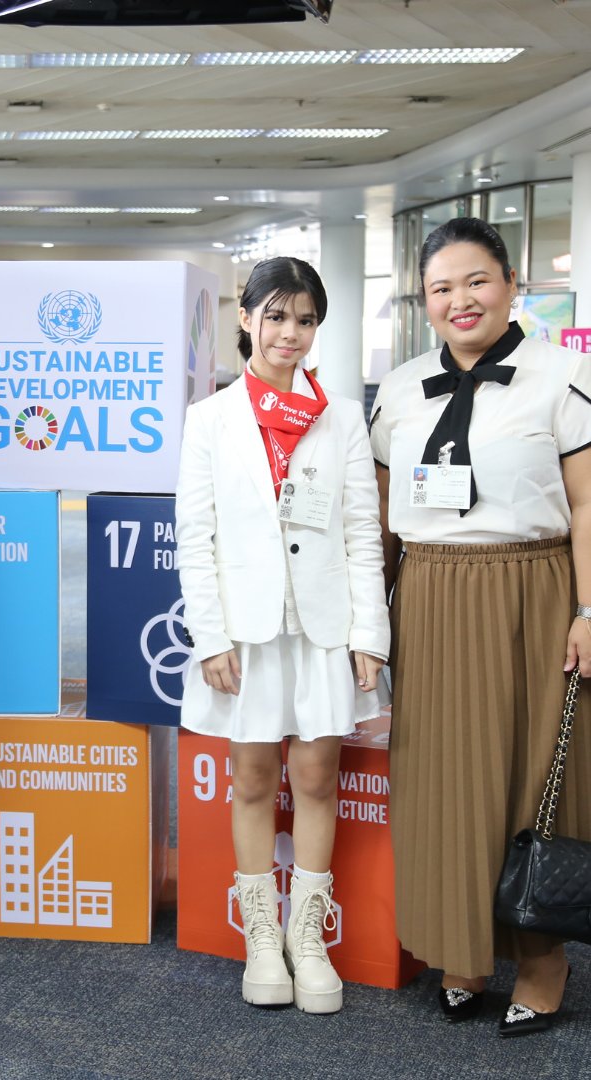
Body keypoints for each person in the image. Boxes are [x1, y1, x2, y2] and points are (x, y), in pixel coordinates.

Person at [371, 216, 591, 1037]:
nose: (460, 300)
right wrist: (373, 617)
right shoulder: (397, 389)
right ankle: (458, 949)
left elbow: (585, 503)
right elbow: (384, 521)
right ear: (422, 301)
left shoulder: (563, 376)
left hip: (532, 586)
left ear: (509, 284)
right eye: (441, 288)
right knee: (439, 776)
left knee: (541, 774)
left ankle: (541, 959)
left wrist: (588, 610)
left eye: (476, 281)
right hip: (428, 592)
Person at [176, 257, 389, 1015]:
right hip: (249, 630)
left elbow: (364, 531)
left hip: (324, 628)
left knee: (319, 778)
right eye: (276, 316)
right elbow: (194, 538)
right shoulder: (212, 418)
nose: (289, 334)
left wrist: (372, 633)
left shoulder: (340, 417)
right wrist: (210, 638)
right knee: (254, 780)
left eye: (304, 320)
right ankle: (261, 940)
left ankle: (309, 939)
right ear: (246, 318)